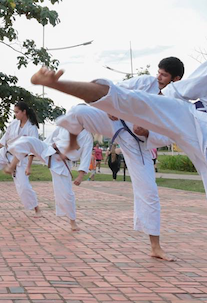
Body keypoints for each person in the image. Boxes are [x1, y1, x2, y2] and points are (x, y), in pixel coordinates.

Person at [30, 5, 207, 303]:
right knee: (130, 101)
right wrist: (150, 110)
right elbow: (183, 91)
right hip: (194, 120)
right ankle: (57, 83)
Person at [56, 57, 184, 261]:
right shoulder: (144, 82)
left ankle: (155, 246)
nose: (159, 77)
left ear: (175, 79)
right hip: (115, 124)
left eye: (164, 75)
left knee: (149, 192)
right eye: (159, 72)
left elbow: (170, 134)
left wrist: (148, 133)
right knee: (78, 111)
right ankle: (70, 142)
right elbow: (116, 90)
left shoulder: (174, 104)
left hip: (138, 144)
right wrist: (111, 108)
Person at [0, 102, 39, 203]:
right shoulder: (13, 123)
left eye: (17, 112)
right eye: (14, 112)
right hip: (5, 153)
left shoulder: (32, 128)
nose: (15, 114)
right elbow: (4, 138)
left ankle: (36, 208)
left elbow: (32, 149)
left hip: (19, 159)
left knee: (24, 187)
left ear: (24, 112)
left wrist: (28, 166)